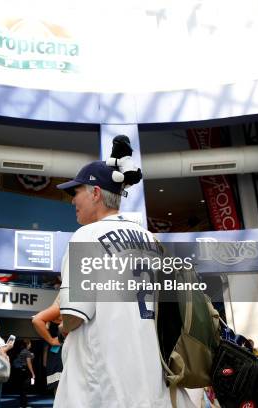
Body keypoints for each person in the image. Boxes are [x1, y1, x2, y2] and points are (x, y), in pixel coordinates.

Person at [53, 142, 195, 407]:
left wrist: (62, 328)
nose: (73, 199)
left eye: (77, 191)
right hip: (153, 384)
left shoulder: (86, 235)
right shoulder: (151, 240)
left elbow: (73, 316)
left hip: (103, 387)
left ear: (95, 193)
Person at [31, 298, 63, 393]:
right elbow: (36, 320)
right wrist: (52, 341)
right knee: (57, 384)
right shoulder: (54, 314)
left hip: (61, 353)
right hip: (56, 354)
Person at [12, 339, 35, 408]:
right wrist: (33, 373)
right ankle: (25, 405)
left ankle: (22, 404)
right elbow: (29, 363)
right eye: (30, 343)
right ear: (27, 344)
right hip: (24, 371)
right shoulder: (27, 352)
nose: (31, 345)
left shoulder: (21, 351)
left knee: (21, 389)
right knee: (25, 389)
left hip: (18, 371)